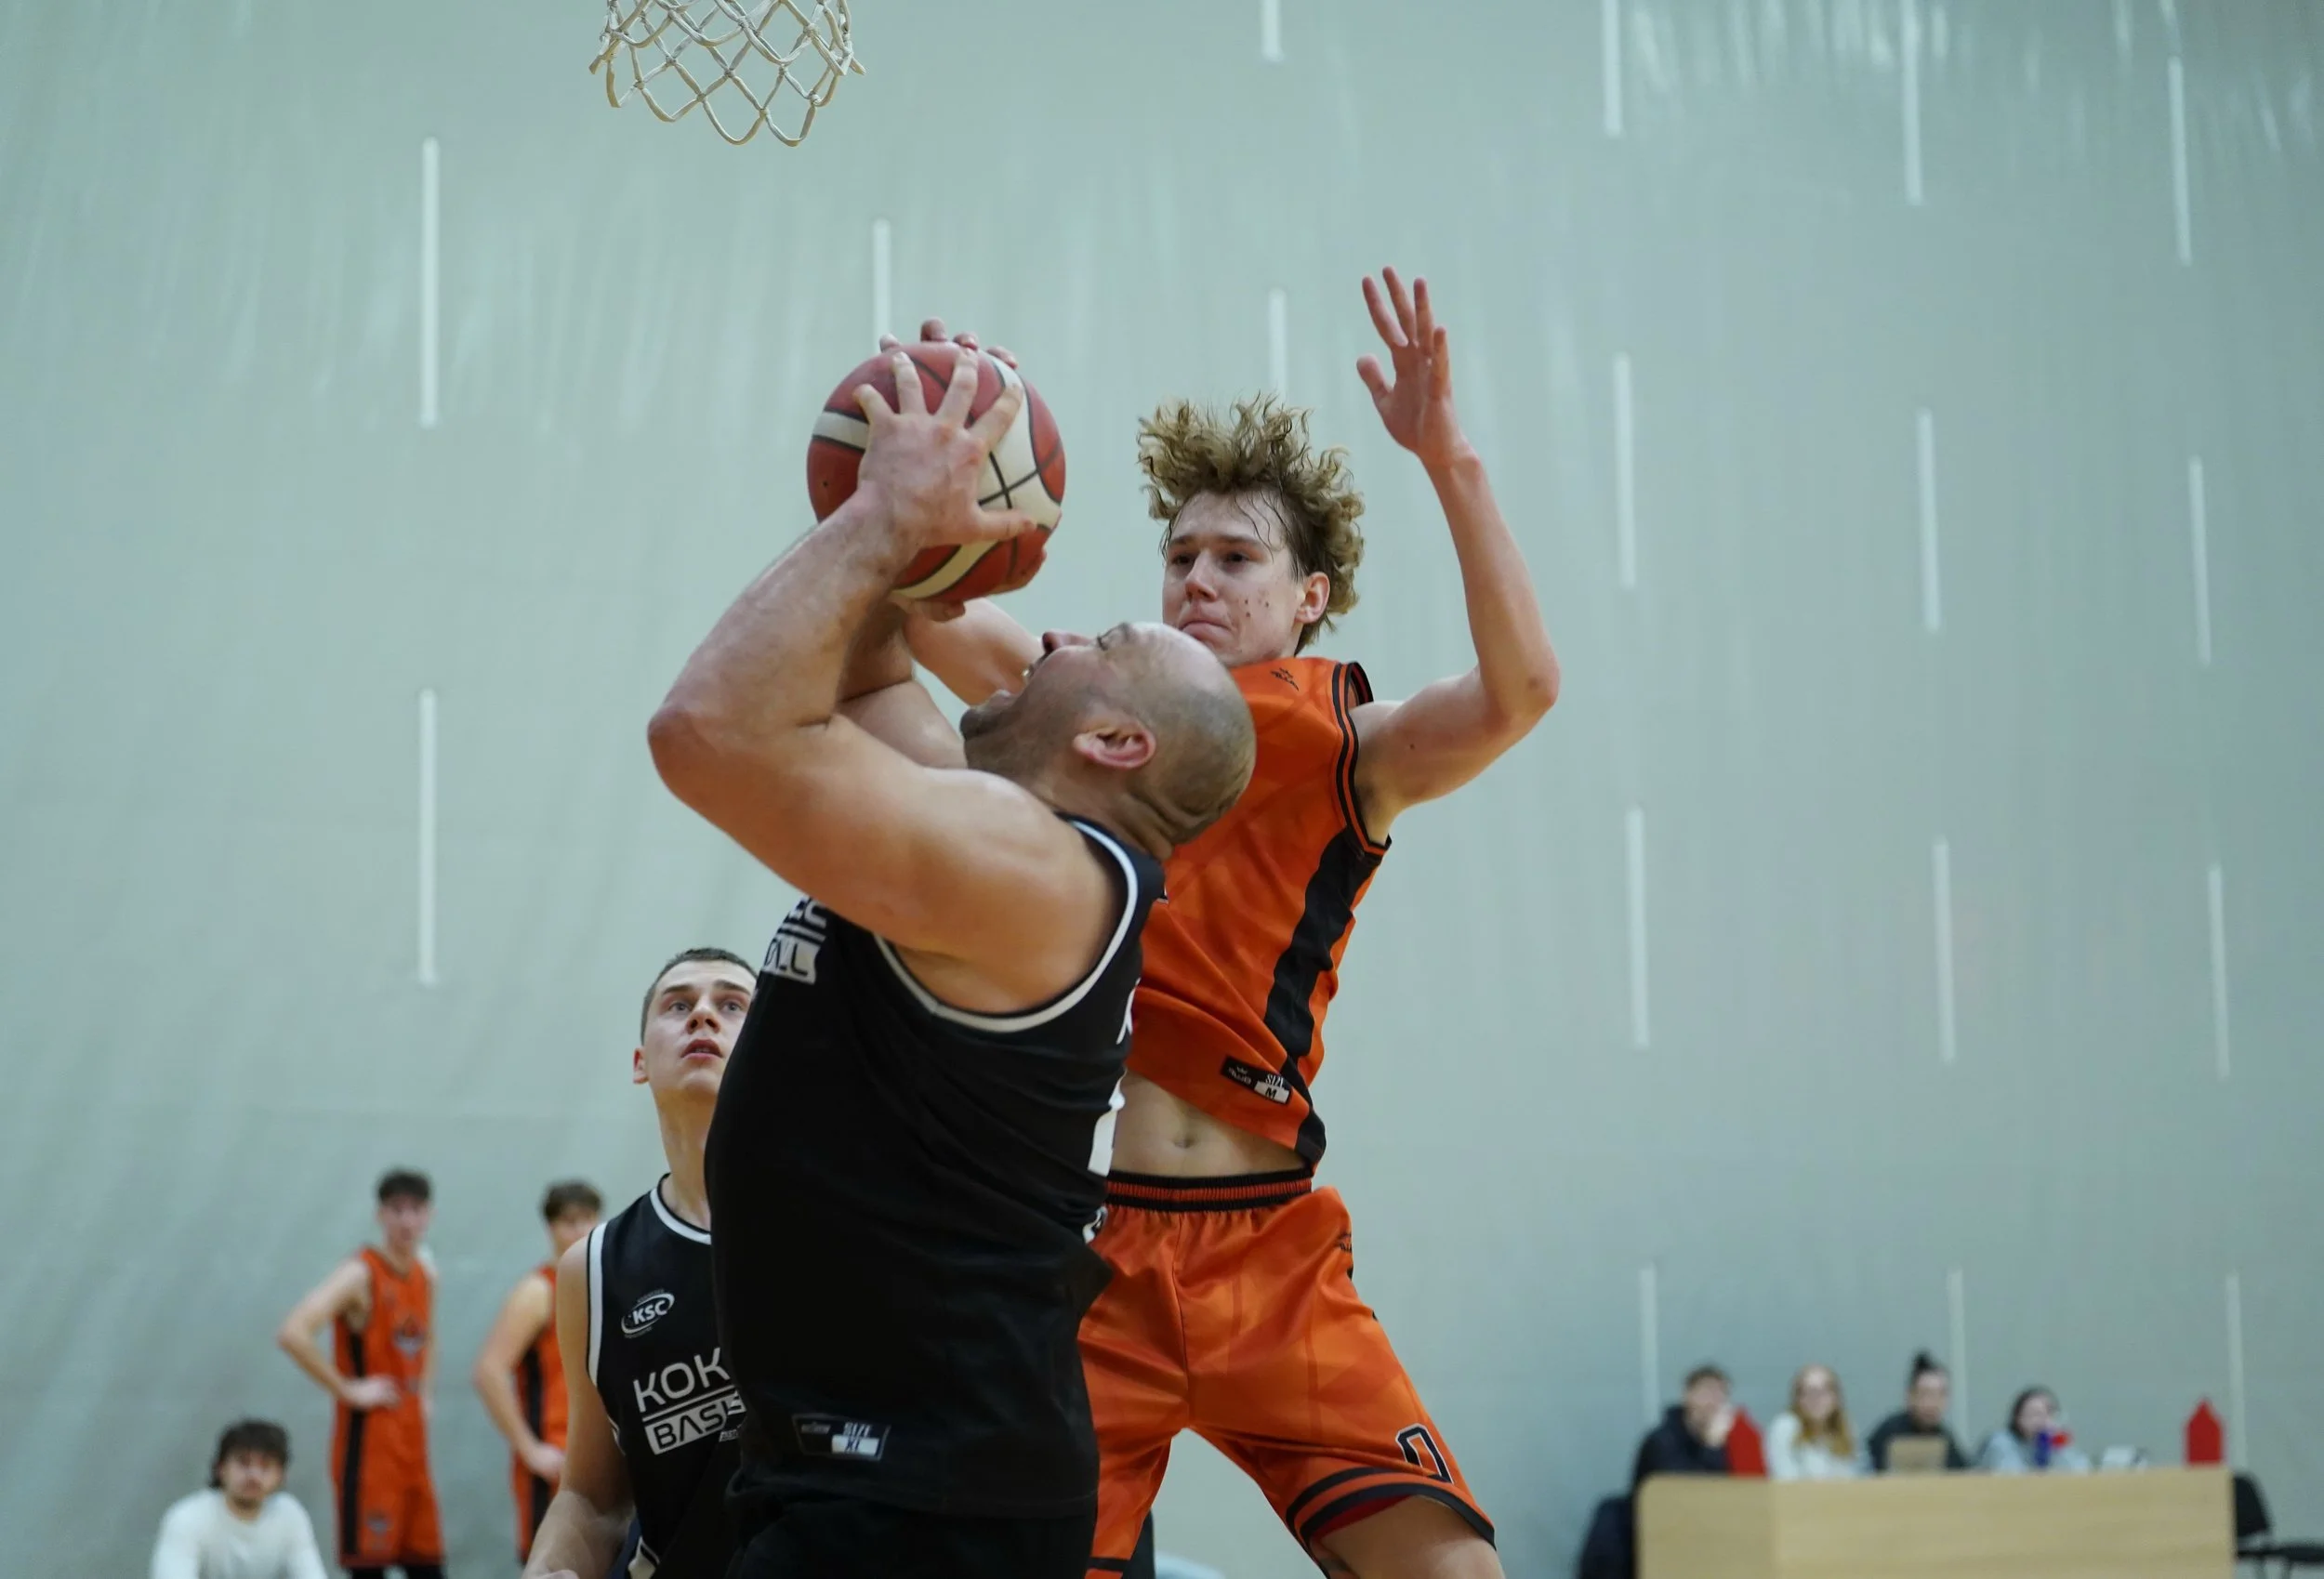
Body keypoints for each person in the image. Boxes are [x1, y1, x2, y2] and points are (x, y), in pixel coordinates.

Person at [907, 267, 1558, 1578]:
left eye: (1237, 557)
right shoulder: (1089, 704)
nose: (1199, 577)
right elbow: (929, 610)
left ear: (1309, 595)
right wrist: (938, 463)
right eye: (1181, 555)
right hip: (1095, 1248)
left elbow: (1522, 690)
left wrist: (1451, 460)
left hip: (1268, 1245)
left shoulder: (1345, 740)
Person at [648, 345, 1258, 1579]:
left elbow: (705, 732)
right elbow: (861, 664)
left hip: (928, 1498)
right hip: (888, 1476)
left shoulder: (1035, 875)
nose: (1058, 632)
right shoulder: (1002, 841)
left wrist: (884, 519)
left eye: (1101, 640)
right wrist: (937, 467)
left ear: (1117, 740)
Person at [522, 948, 758, 1579]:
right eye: (678, 1004)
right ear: (639, 1063)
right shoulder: (594, 1268)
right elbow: (594, 1497)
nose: (703, 1014)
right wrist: (548, 1566)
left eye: (732, 1004)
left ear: (776, 1055)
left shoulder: (848, 1225)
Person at [275, 1169, 444, 1579]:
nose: (407, 1220)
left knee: (428, 1566)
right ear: (379, 1215)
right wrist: (347, 1389)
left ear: (429, 1215)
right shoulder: (360, 1273)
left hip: (411, 1443)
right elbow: (293, 1332)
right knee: (369, 1568)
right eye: (397, 1210)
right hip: (369, 1446)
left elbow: (429, 1336)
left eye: (415, 1210)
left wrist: (424, 1394)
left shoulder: (426, 1273)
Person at [473, 1180, 605, 1563]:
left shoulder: (600, 1285)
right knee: (550, 1566)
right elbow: (489, 1371)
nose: (580, 1230)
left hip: (596, 1461)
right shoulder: (538, 1291)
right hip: (555, 1463)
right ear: (551, 1227)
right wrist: (529, 1448)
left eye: (588, 1219)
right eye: (569, 1221)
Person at [150, 1419, 328, 1579]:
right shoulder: (187, 1518)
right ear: (220, 1469)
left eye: (265, 1466)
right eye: (243, 1463)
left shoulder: (290, 1515)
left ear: (281, 1475)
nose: (254, 1476)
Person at [1865, 1351, 1970, 1472]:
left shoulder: (1944, 1438)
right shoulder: (1889, 1433)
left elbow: (1965, 1473)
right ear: (1910, 1396)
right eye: (1927, 1393)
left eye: (1941, 1394)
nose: (1934, 1403)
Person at [1632, 1366, 1736, 1487]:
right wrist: (1712, 1447)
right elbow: (1687, 1489)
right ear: (1687, 1395)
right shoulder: (1662, 1441)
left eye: (1722, 1394)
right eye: (1707, 1393)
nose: (1714, 1402)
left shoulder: (1728, 1441)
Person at [1765, 1363, 1864, 1480]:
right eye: (1808, 1392)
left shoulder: (1846, 1426)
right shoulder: (1785, 1426)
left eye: (1824, 1391)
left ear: (1836, 1397)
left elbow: (1856, 1477)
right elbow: (1786, 1480)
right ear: (1797, 1399)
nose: (1816, 1399)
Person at [1978, 1386, 2092, 1474]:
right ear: (2018, 1418)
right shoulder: (2001, 1442)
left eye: (2049, 1414)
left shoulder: (2056, 1442)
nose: (2043, 1421)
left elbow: (2082, 1472)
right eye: (2035, 1414)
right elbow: (2012, 1479)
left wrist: (2058, 1446)